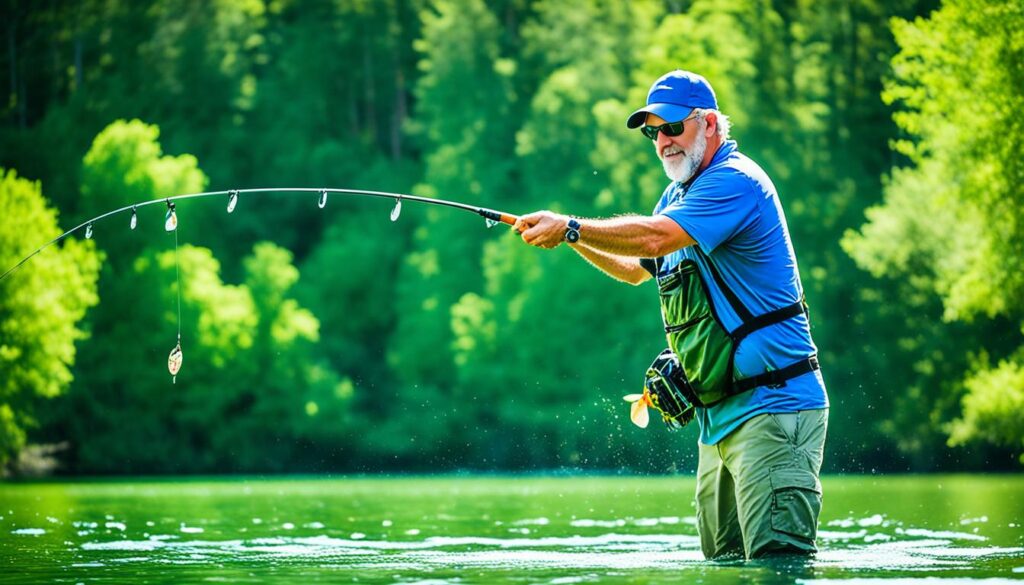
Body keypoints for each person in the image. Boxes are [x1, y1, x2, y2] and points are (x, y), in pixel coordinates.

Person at [514, 70, 829, 560]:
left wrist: (572, 223)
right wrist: (571, 237)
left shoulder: (736, 181)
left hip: (774, 407)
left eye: (672, 128)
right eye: (652, 132)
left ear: (708, 124)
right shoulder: (677, 197)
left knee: (776, 567)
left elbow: (655, 238)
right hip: (719, 420)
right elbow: (635, 268)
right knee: (725, 568)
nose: (662, 141)